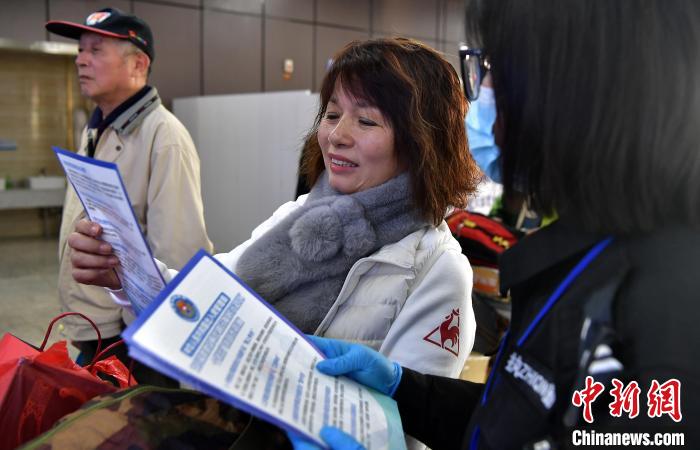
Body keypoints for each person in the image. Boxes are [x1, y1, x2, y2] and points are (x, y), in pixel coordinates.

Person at [288, 0, 700, 448]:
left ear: (573, 94)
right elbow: (524, 414)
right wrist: (405, 390)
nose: (481, 94)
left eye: (494, 70)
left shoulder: (668, 307)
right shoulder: (592, 249)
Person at [67, 37, 482, 447]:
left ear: (421, 141)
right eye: (332, 114)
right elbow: (210, 294)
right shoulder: (298, 215)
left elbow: (410, 427)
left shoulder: (436, 267)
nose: (336, 135)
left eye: (367, 121)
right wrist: (126, 272)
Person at [46, 8, 212, 375]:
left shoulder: (164, 137)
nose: (80, 60)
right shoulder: (97, 129)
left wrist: (146, 346)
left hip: (130, 339)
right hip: (92, 326)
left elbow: (178, 253)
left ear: (138, 64)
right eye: (80, 50)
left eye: (95, 50)